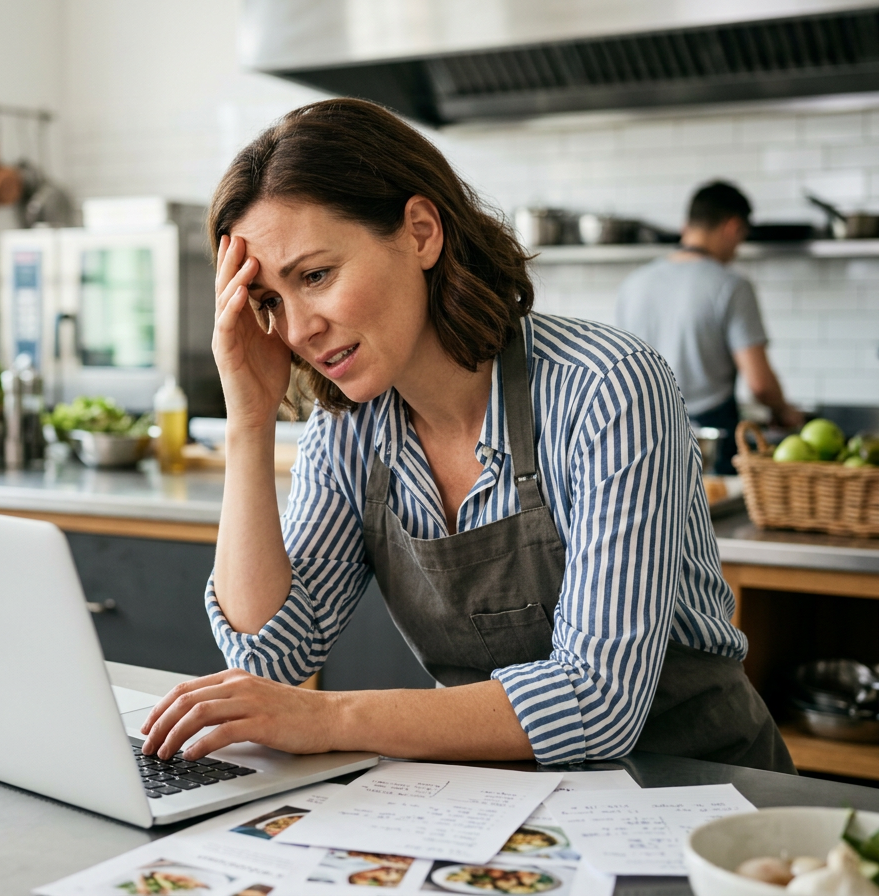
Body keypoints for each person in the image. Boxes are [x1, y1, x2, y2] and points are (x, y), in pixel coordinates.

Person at [138, 99, 795, 774]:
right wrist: (249, 421)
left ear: (422, 232)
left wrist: (330, 717)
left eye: (315, 275)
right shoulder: (347, 431)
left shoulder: (607, 389)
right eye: (270, 301)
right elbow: (268, 657)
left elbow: (598, 702)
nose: (298, 328)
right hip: (497, 803)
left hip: (699, 797)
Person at [616, 181, 802, 474]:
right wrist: (784, 412)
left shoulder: (634, 284)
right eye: (741, 237)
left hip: (644, 434)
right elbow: (760, 384)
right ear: (732, 226)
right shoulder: (731, 286)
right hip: (711, 439)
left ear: (687, 224)